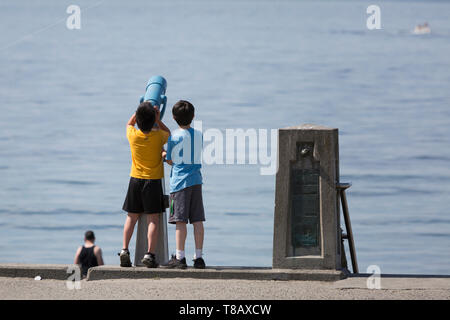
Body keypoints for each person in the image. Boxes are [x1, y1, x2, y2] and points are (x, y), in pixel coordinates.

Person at [119, 101, 170, 268]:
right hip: (153, 181)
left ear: (138, 120)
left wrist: (137, 111)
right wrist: (158, 119)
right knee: (153, 219)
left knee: (131, 217)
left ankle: (125, 250)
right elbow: (168, 132)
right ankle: (149, 254)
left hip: (135, 180)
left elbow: (129, 123)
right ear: (153, 119)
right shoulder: (158, 137)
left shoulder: (132, 135)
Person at [163, 100, 206, 269]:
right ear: (193, 116)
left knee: (180, 221)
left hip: (179, 183)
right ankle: (199, 257)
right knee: (197, 221)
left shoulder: (173, 137)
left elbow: (170, 160)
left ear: (173, 117)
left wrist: (164, 153)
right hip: (196, 181)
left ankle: (180, 257)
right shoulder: (198, 135)